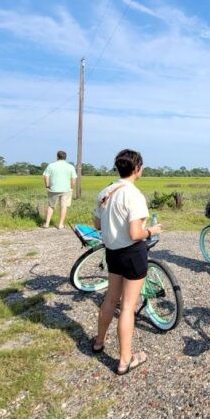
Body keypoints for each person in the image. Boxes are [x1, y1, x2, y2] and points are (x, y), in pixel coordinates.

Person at [91, 149, 161, 375]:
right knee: (128, 306)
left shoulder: (106, 191)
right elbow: (135, 233)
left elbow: (98, 225)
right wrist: (152, 230)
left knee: (111, 299)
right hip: (132, 253)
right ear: (138, 168)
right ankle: (125, 359)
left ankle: (99, 342)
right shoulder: (134, 195)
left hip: (112, 253)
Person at [42, 150, 78, 229]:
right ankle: (60, 224)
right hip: (66, 189)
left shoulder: (51, 165)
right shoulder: (70, 166)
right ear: (65, 157)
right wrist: (72, 187)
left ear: (57, 157)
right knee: (63, 206)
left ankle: (47, 223)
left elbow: (46, 176)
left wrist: (47, 186)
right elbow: (74, 179)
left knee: (51, 206)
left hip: (53, 188)